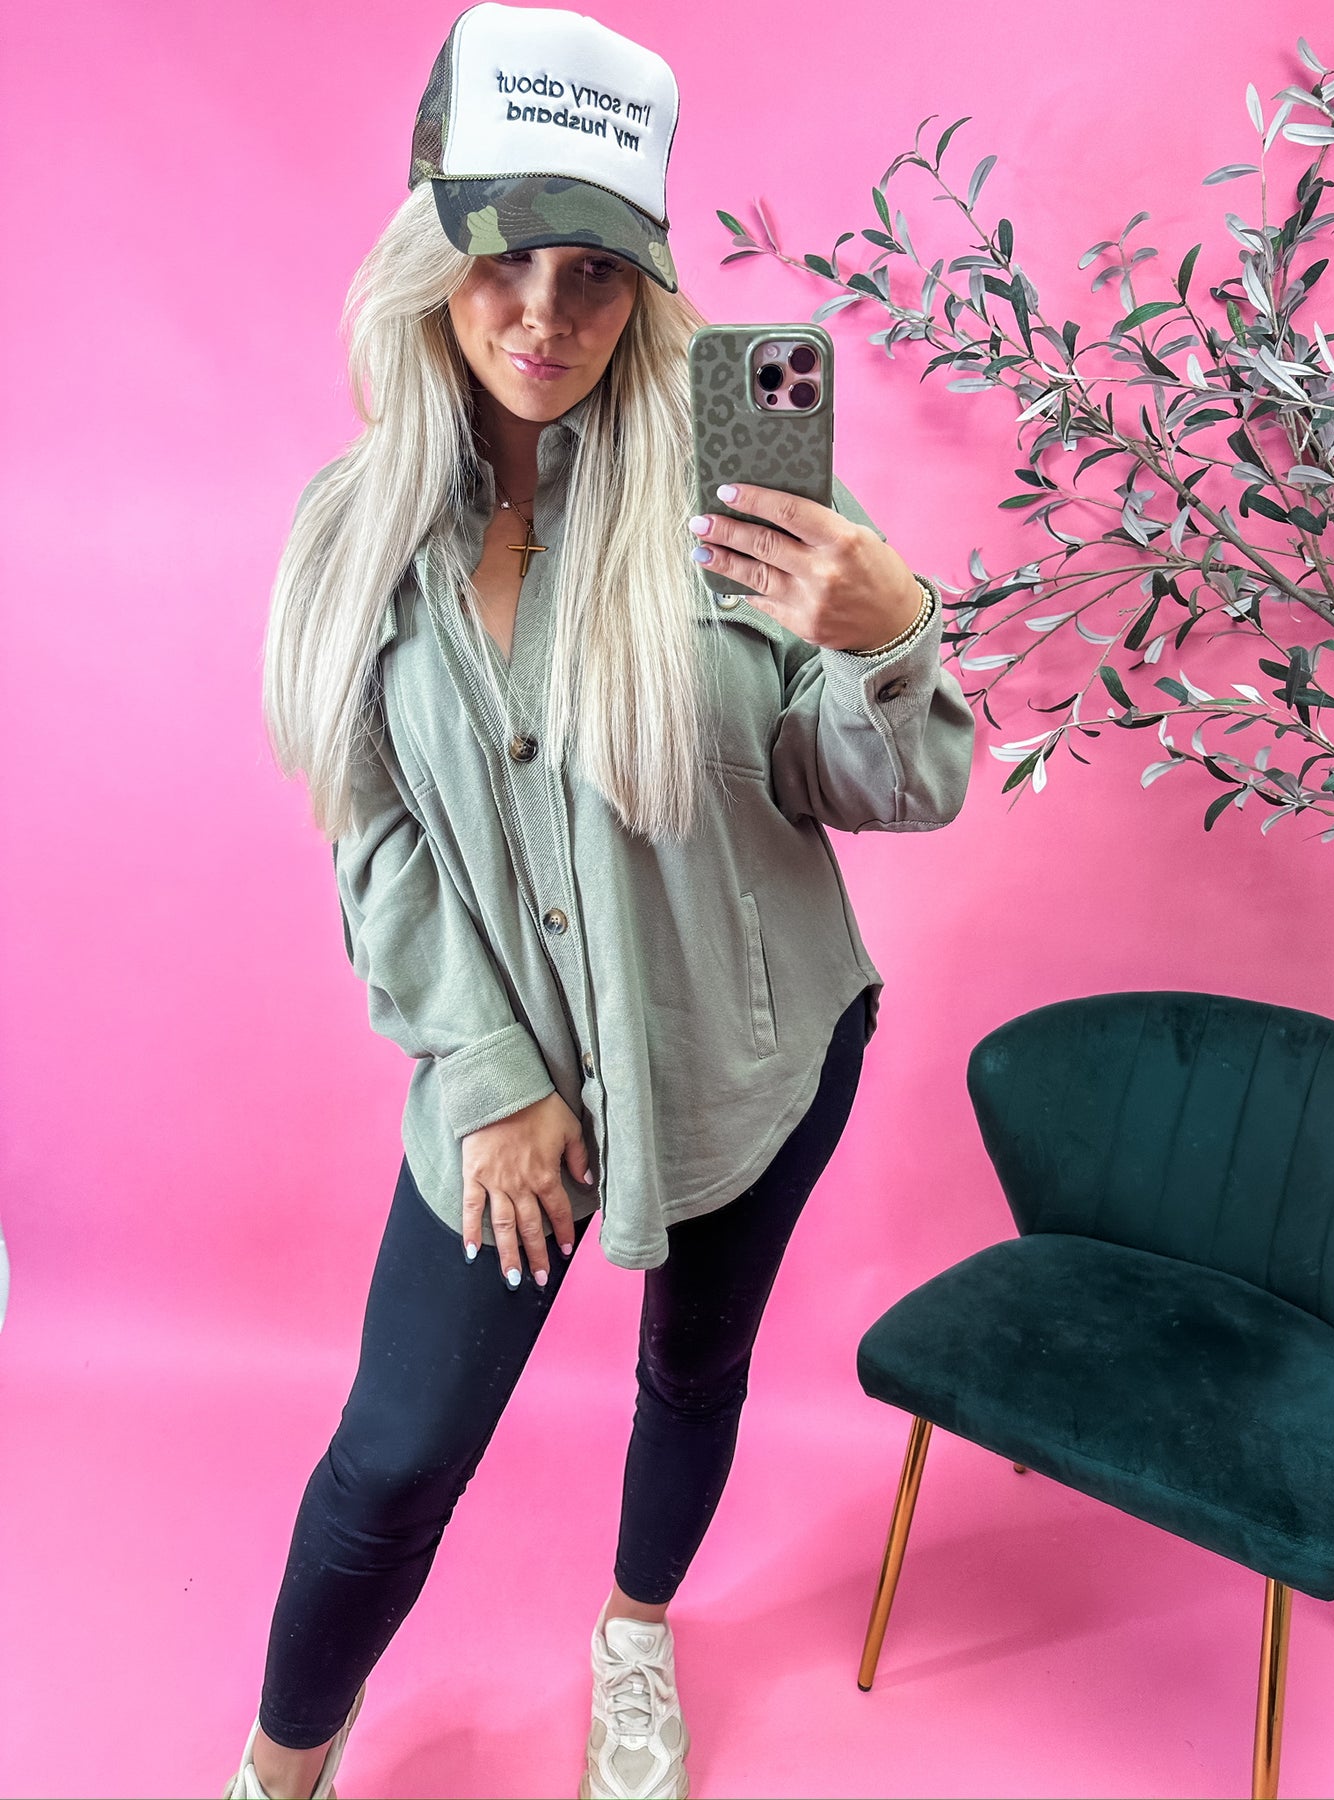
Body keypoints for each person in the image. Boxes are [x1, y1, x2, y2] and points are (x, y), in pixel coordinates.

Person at [226, 4, 976, 1796]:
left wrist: (885, 644)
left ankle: (635, 1635)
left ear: (646, 284)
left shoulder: (740, 476)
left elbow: (879, 787)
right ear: (431, 253)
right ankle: (277, 1769)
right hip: (507, 1101)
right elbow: (377, 837)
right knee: (394, 1459)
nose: (542, 317)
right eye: (501, 259)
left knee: (692, 1378)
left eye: (594, 271)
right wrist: (492, 1078)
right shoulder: (352, 531)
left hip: (754, 1054)